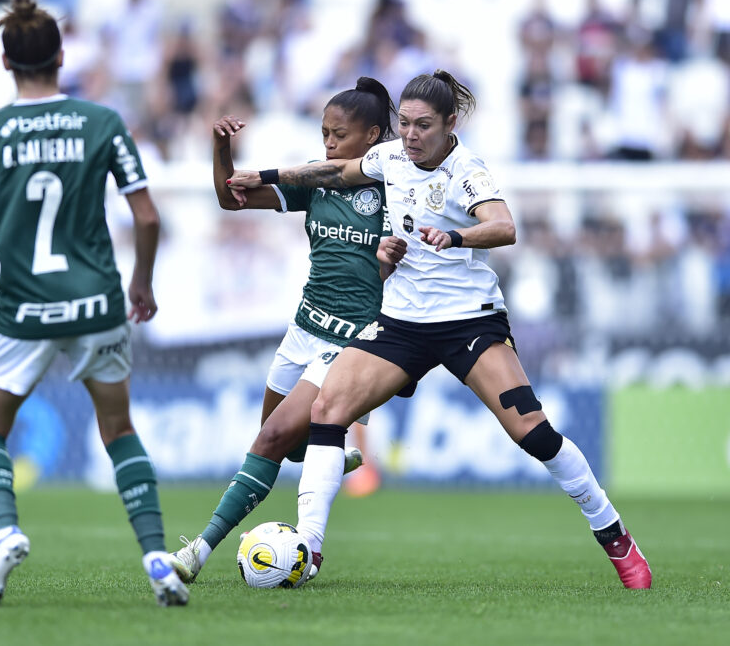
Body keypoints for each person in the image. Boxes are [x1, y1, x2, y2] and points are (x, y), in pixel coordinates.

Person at [225, 69, 653, 589]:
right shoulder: (390, 158)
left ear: (450, 123)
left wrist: (455, 236)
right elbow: (333, 173)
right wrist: (267, 176)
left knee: (533, 433)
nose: (410, 135)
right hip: (401, 323)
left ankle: (613, 534)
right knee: (326, 409)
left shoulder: (466, 171)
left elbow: (505, 226)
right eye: (403, 124)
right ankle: (310, 547)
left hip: (468, 321)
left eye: (422, 125)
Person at [0, 0, 187, 608]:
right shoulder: (102, 122)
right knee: (118, 430)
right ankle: (156, 559)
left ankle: (7, 531)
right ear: (62, 57)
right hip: (97, 304)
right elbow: (146, 218)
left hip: (22, 312)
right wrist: (141, 282)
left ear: (6, 62)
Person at [170, 77, 398, 584]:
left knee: (272, 437)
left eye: (339, 135)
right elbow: (231, 200)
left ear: (374, 136)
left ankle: (200, 549)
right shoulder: (317, 181)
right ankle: (331, 453)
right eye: (324, 134)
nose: (329, 144)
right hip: (302, 330)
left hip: (351, 343)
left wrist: (391, 262)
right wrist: (220, 149)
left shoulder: (397, 189)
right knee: (283, 442)